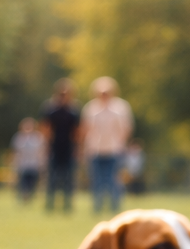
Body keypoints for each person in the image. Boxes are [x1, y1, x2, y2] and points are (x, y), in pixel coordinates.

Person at [82, 76, 134, 215]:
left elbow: (126, 128)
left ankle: (115, 207)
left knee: (114, 179)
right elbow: (86, 129)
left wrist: (121, 143)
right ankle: (97, 206)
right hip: (95, 149)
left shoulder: (121, 107)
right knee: (97, 180)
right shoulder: (91, 108)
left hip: (114, 149)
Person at [41, 79, 80, 213]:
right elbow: (46, 129)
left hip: (68, 148)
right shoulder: (51, 109)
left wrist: (77, 148)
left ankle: (67, 204)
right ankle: (50, 204)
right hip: (54, 147)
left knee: (68, 178)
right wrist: (46, 146)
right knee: (52, 178)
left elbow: (77, 131)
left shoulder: (74, 110)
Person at [11, 117, 45, 202]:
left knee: (32, 183)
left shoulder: (38, 137)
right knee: (23, 183)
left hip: (34, 165)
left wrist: (42, 163)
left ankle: (29, 197)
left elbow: (41, 151)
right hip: (23, 165)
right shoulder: (18, 137)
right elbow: (15, 151)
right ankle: (24, 197)